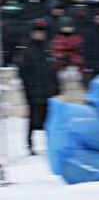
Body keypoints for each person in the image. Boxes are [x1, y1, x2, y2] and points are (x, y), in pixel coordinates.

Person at [18, 20, 59, 155]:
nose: (40, 35)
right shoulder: (28, 52)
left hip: (47, 91)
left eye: (42, 33)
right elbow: (23, 73)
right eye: (38, 33)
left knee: (49, 119)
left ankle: (50, 144)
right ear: (33, 34)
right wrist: (28, 89)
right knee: (33, 120)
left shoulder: (47, 50)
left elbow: (53, 70)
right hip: (34, 92)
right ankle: (30, 145)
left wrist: (55, 87)